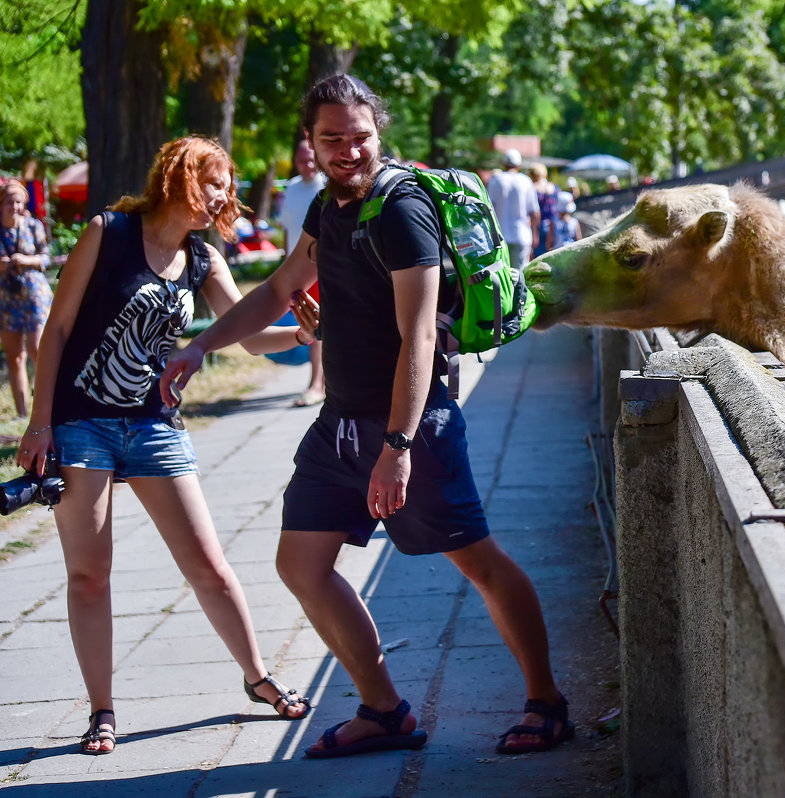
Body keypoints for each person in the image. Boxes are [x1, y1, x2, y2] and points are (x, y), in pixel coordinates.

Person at [161, 73, 572, 759]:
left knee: (478, 562)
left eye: (360, 137)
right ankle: (384, 710)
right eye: (333, 140)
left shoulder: (403, 211)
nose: (348, 150)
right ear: (311, 144)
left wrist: (399, 446)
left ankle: (547, 702)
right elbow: (282, 289)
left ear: (378, 133)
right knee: (302, 563)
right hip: (339, 424)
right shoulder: (329, 205)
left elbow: (418, 338)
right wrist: (202, 344)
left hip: (410, 426)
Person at [17, 136, 317, 755]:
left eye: (229, 187)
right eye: (215, 183)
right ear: (181, 176)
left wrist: (305, 331)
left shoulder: (204, 259)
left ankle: (257, 677)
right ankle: (101, 711)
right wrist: (39, 422)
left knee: (209, 565)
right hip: (81, 423)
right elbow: (60, 329)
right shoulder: (110, 231)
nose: (223, 197)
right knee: (89, 574)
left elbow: (247, 336)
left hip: (155, 425)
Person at [279, 140, 327, 407]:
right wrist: (286, 265)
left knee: (321, 324)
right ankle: (318, 382)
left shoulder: (325, 186)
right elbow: (288, 229)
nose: (307, 165)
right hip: (299, 268)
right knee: (310, 323)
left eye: (311, 159)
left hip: (324, 267)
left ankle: (317, 383)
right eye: (301, 159)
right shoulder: (292, 188)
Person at [0, 179, 54, 417]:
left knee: (37, 348)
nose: (14, 206)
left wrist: (25, 259)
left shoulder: (33, 226)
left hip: (35, 295)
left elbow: (46, 258)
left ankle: (45, 407)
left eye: (18, 201)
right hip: (7, 297)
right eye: (10, 202)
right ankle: (22, 413)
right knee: (14, 355)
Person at [485, 149, 539, 267]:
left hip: (499, 236)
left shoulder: (495, 181)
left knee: (503, 275)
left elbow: (488, 209)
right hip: (522, 235)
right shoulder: (526, 181)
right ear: (519, 165)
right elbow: (535, 212)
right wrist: (535, 233)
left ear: (504, 164)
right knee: (520, 274)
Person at [528, 162, 556, 257]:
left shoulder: (533, 188)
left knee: (537, 256)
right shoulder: (554, 187)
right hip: (552, 225)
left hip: (538, 225)